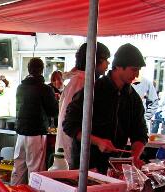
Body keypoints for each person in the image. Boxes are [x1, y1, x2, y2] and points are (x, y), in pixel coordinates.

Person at [63, 43, 148, 172]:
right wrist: (98, 142)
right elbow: (69, 125)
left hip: (115, 169)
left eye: (138, 70)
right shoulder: (93, 90)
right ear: (119, 67)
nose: (136, 75)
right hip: (87, 167)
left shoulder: (133, 99)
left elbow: (140, 133)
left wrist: (134, 157)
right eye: (134, 69)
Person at [55, 42, 111, 164]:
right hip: (72, 150)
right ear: (94, 60)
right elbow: (69, 119)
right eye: (105, 59)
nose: (108, 63)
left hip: (72, 148)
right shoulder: (81, 82)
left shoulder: (82, 80)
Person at [10, 58, 59, 185]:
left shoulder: (20, 87)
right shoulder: (45, 89)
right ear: (42, 70)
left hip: (21, 133)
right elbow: (53, 111)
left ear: (29, 69)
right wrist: (55, 101)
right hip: (36, 133)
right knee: (35, 170)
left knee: (18, 168)